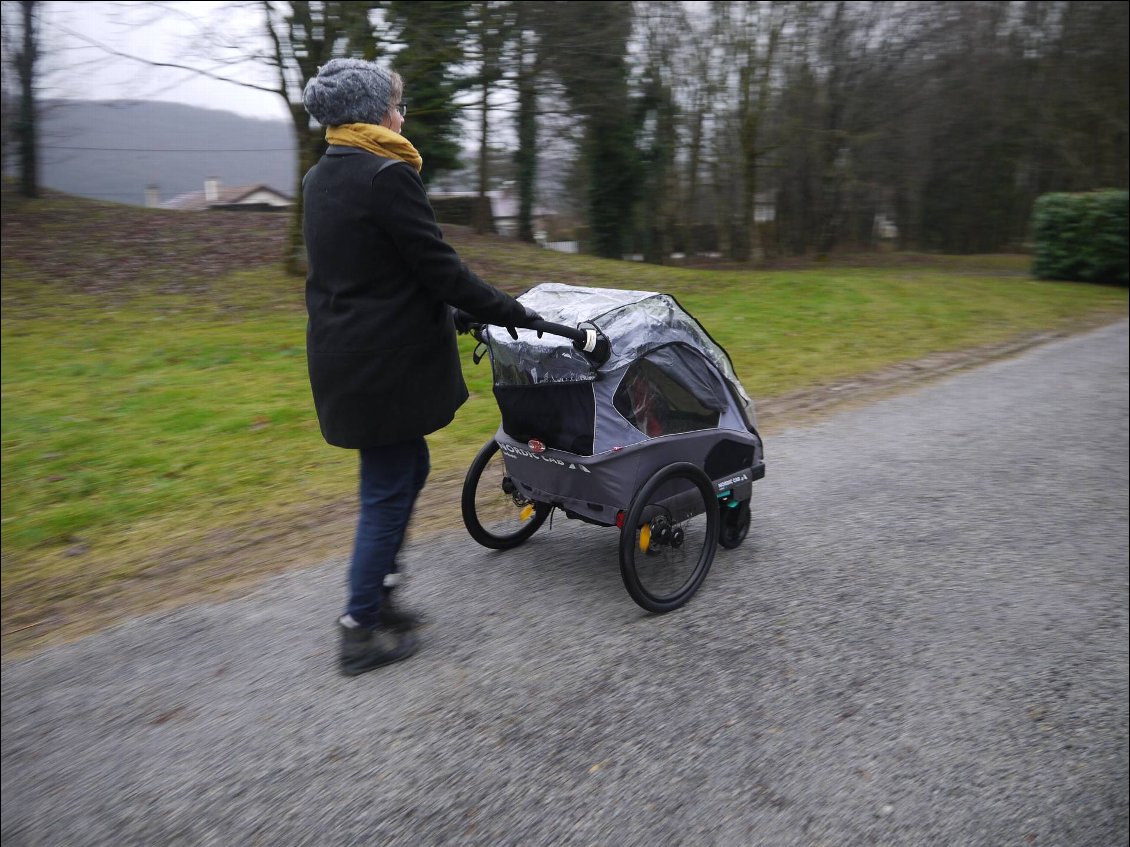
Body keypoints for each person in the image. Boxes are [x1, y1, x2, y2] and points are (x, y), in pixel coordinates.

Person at [301, 58, 540, 677]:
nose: (401, 116)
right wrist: (513, 310)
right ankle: (358, 626)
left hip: (347, 356)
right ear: (375, 114)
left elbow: (376, 270)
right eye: (396, 106)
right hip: (379, 364)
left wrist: (450, 310)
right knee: (387, 485)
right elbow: (439, 268)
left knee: (406, 467)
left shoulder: (323, 175)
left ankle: (379, 597)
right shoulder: (385, 175)